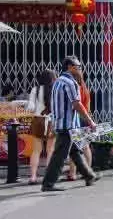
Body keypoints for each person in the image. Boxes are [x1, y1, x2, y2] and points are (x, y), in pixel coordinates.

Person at [41, 56, 99, 192]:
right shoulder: (70, 82)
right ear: (69, 67)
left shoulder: (58, 81)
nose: (80, 70)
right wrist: (90, 121)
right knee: (59, 156)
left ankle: (89, 175)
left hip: (62, 124)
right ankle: (48, 184)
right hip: (67, 126)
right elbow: (77, 103)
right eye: (77, 67)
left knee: (75, 152)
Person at [26, 70, 57, 185]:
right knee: (50, 151)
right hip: (52, 121)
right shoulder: (56, 89)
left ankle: (33, 177)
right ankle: (48, 177)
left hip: (38, 120)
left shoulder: (35, 89)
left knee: (36, 151)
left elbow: (30, 107)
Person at [67, 68, 93, 181]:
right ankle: (87, 170)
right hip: (86, 118)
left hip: (77, 118)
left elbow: (75, 104)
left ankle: (73, 173)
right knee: (84, 146)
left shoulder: (74, 88)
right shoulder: (85, 89)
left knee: (75, 147)